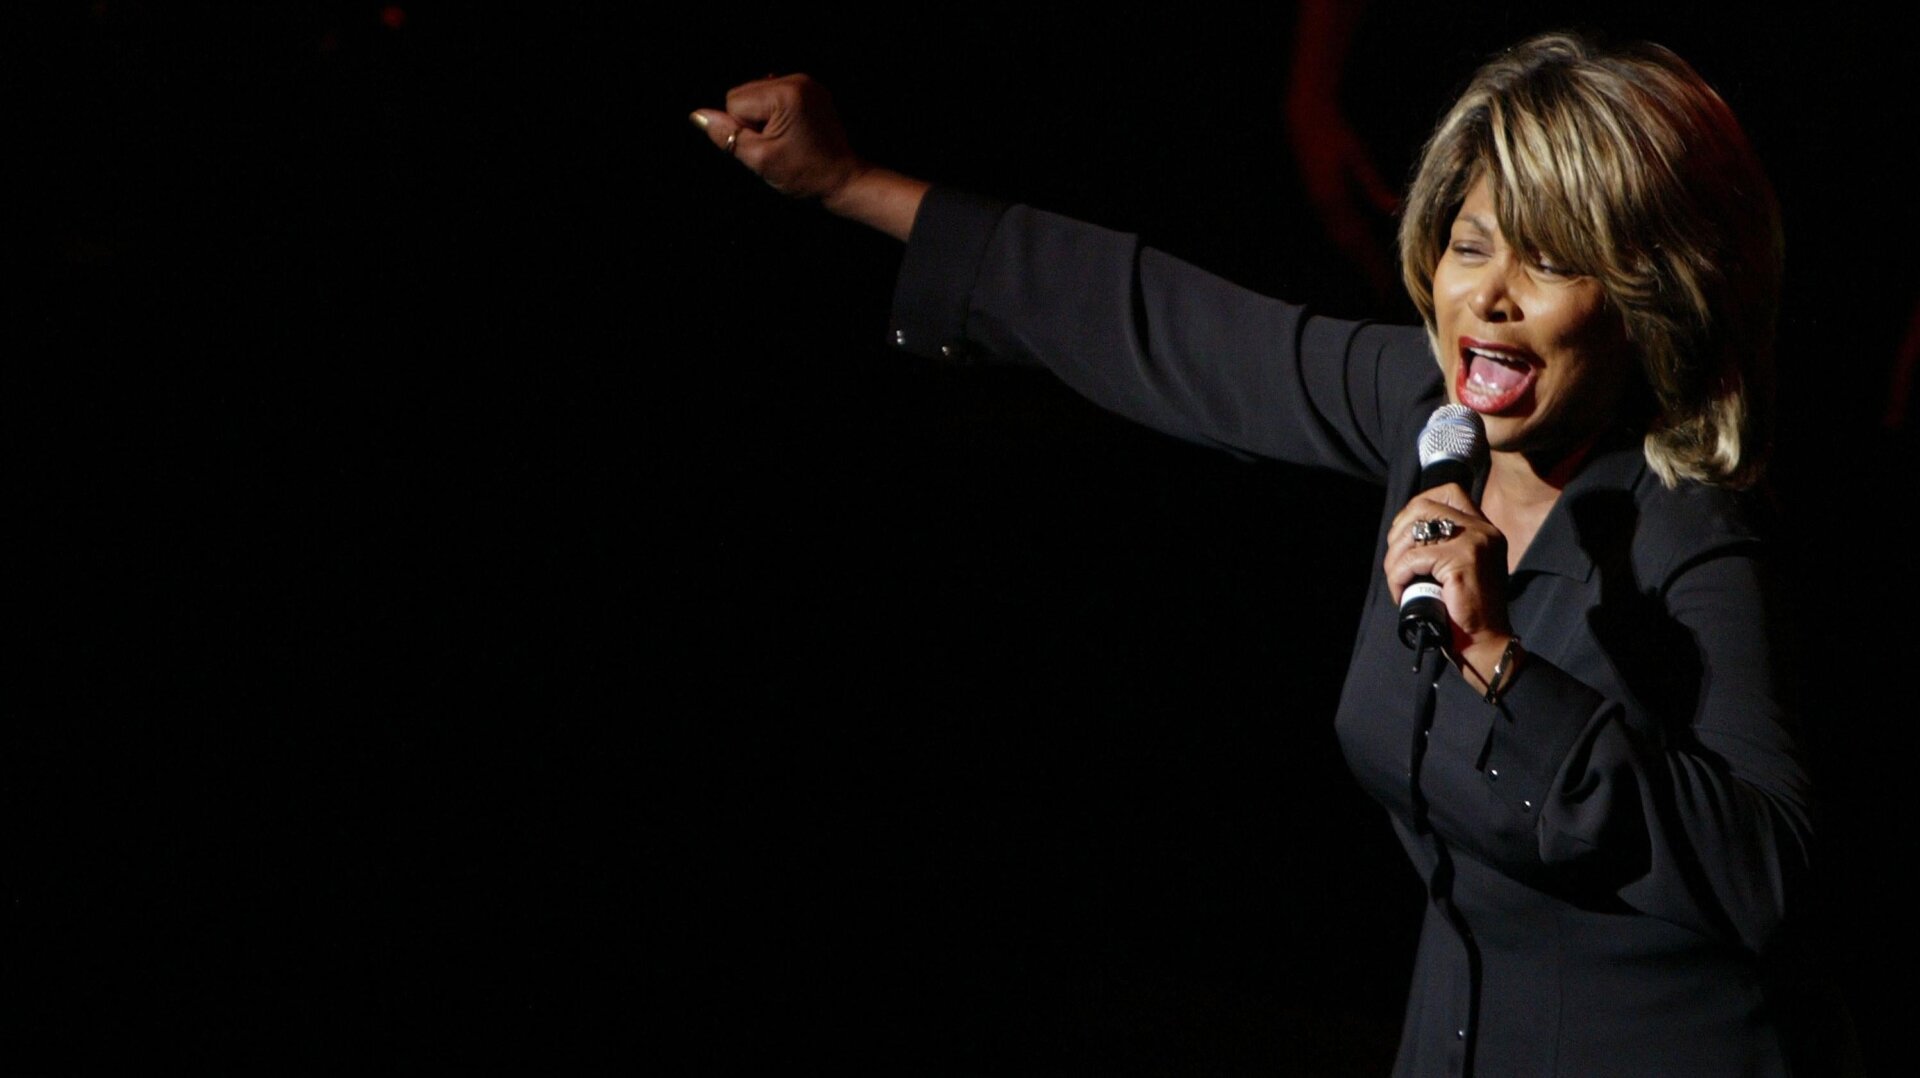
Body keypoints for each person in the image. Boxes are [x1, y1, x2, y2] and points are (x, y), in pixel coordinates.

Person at [692, 32, 1846, 1076]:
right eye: (1470, 244)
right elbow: (1165, 324)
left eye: (1549, 263)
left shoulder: (1699, 538)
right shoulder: (1427, 420)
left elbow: (1765, 875)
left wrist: (1501, 663)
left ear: (1646, 295)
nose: (1486, 297)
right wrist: (851, 186)